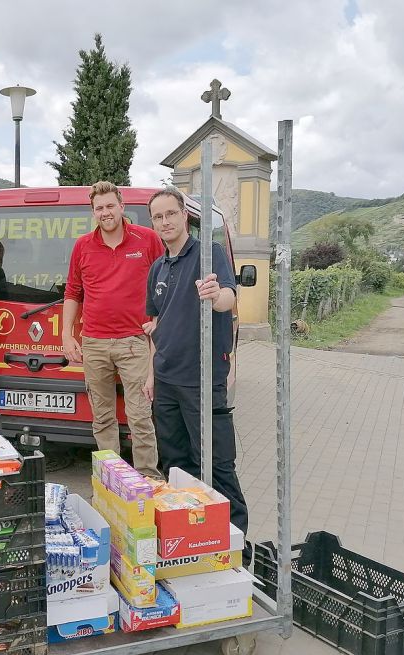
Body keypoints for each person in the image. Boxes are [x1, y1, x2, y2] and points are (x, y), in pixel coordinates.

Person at [143, 187, 248, 538]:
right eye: (158, 216)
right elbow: (155, 322)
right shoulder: (158, 267)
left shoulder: (209, 253)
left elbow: (229, 297)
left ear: (184, 215)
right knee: (174, 463)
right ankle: (188, 534)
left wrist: (216, 295)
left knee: (216, 463)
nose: (165, 221)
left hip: (202, 379)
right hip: (167, 379)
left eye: (171, 213)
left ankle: (236, 542)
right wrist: (150, 374)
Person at [62, 180, 164, 477]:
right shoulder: (83, 245)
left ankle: (148, 479)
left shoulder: (147, 239)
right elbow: (73, 292)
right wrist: (67, 335)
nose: (105, 212)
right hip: (93, 342)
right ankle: (113, 477)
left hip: (134, 341)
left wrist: (159, 320)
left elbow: (164, 283)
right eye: (99, 208)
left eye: (110, 206)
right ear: (92, 212)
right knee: (102, 418)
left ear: (122, 206)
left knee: (141, 417)